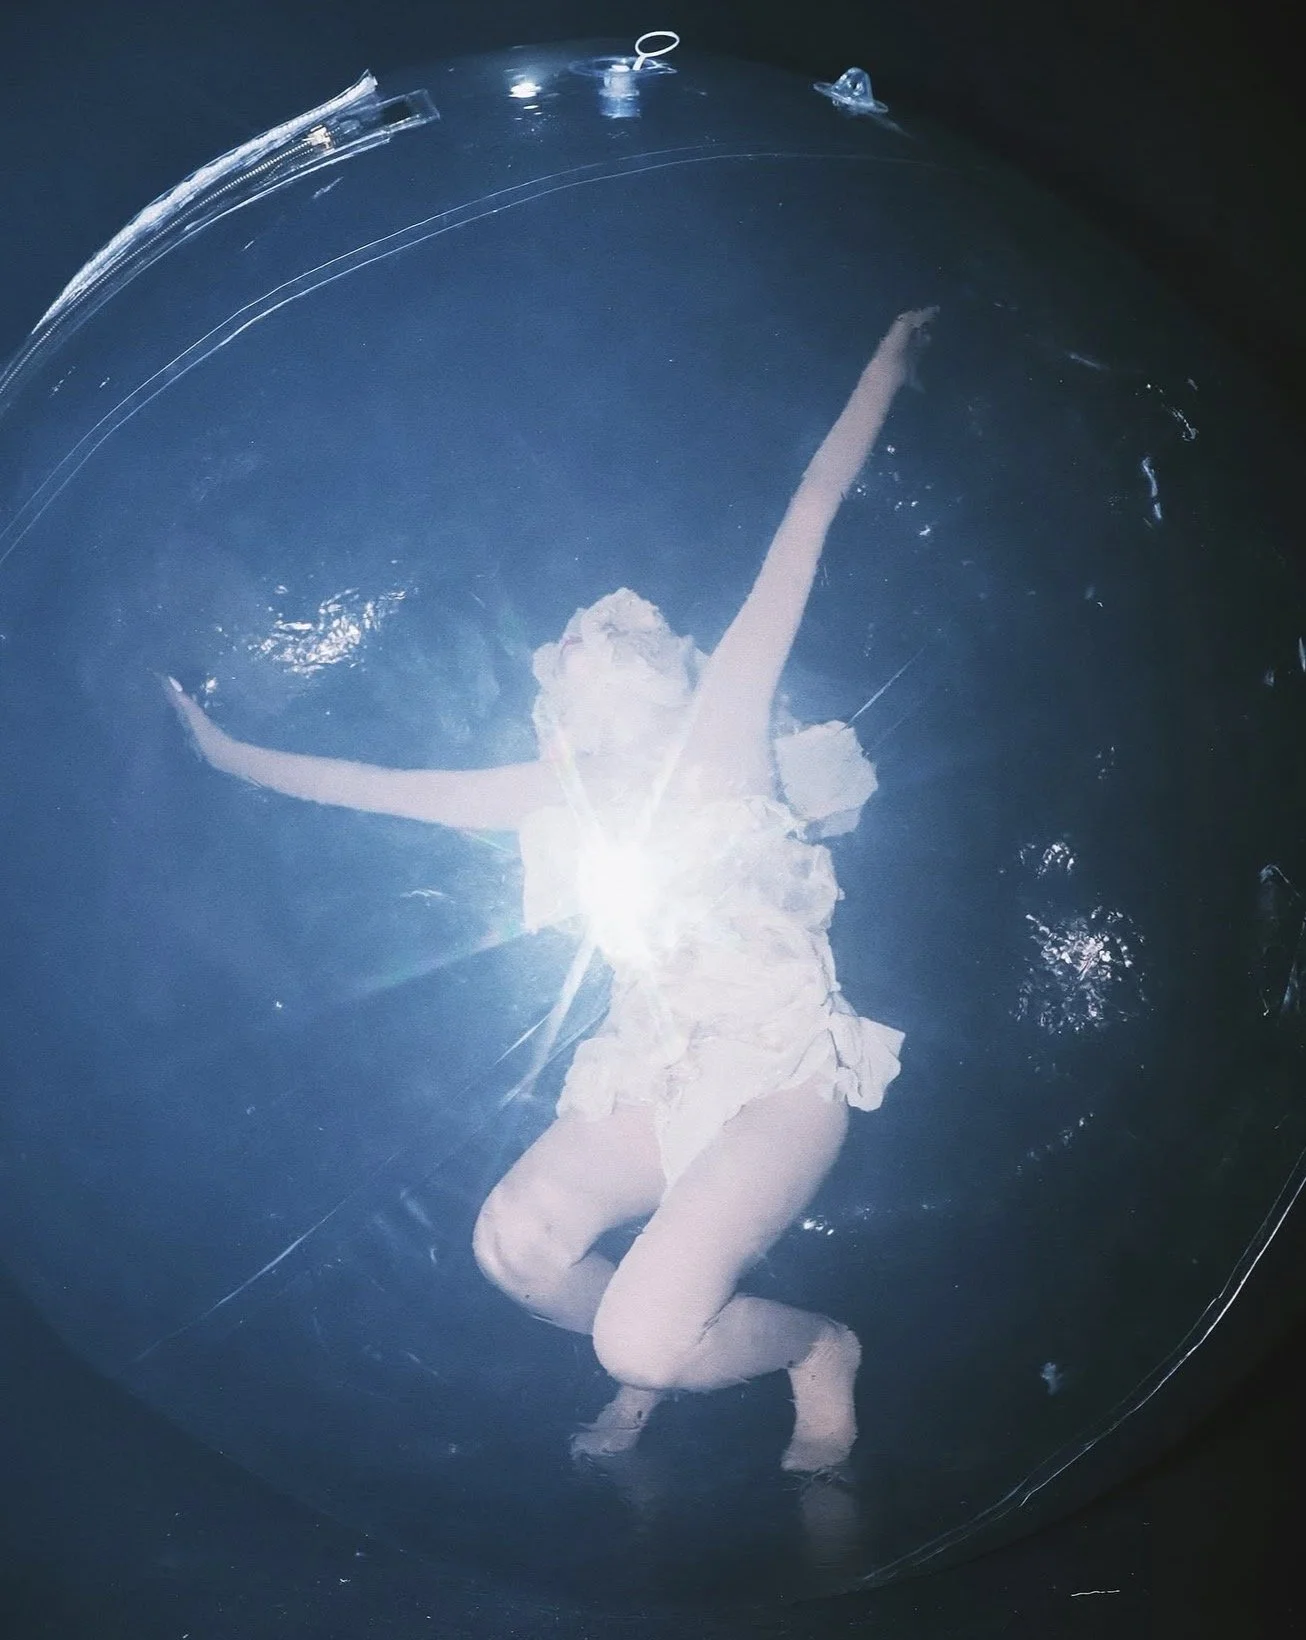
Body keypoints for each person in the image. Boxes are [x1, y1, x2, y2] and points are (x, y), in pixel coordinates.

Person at [165, 307, 934, 1475]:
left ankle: (808, 1345)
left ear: (666, 692)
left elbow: (804, 524)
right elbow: (369, 784)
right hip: (655, 1068)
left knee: (636, 1330)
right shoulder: (553, 793)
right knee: (514, 1245)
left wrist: (883, 365)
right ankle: (669, 1342)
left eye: (621, 689)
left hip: (778, 1078)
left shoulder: (723, 736)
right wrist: (225, 753)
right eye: (581, 698)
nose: (597, 711)